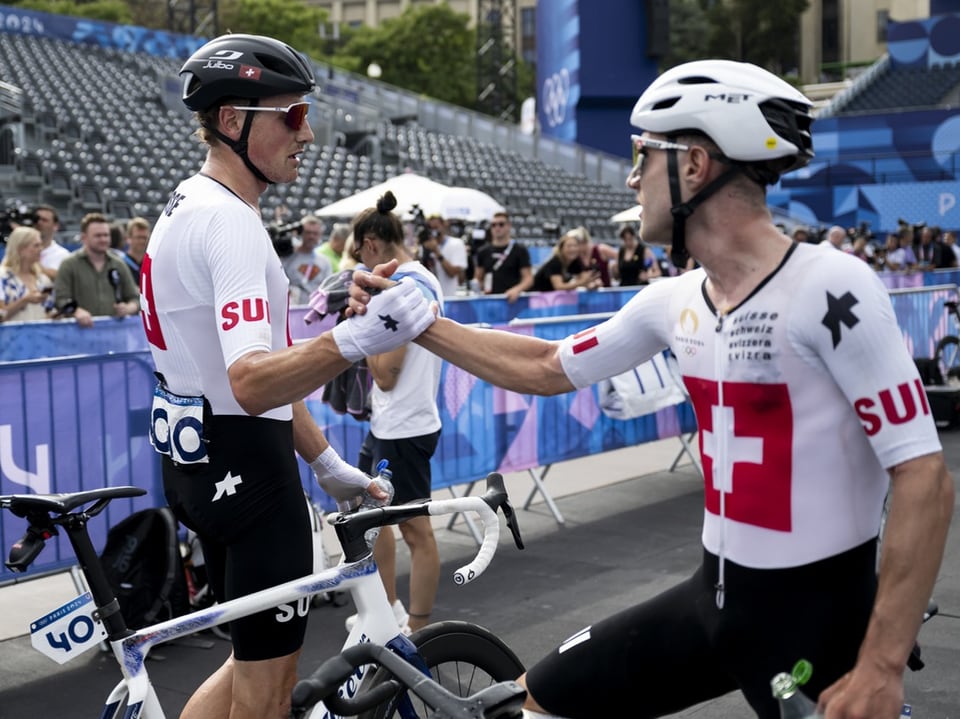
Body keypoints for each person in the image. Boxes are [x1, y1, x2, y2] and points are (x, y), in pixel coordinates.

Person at [350, 59, 954, 719]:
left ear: (694, 164)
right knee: (534, 704)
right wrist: (423, 325)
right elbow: (547, 366)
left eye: (643, 154)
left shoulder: (832, 286)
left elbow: (924, 476)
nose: (633, 177)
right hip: (713, 602)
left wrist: (882, 663)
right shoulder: (674, 299)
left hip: (816, 633)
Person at [141, 34, 435, 719]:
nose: (307, 131)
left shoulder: (188, 202)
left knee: (254, 660)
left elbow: (254, 371)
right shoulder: (232, 225)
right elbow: (253, 381)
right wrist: (354, 337)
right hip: (249, 471)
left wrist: (329, 463)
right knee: (268, 696)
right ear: (231, 120)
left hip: (199, 463)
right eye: (290, 116)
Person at [343, 190, 444, 637]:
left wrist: (355, 331)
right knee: (371, 519)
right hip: (392, 423)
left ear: (369, 244)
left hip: (405, 426)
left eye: (357, 257)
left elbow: (384, 375)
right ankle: (386, 610)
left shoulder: (404, 287)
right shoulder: (418, 276)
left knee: (415, 532)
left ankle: (419, 630)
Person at [53, 212, 139, 328]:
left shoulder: (118, 264)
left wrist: (128, 308)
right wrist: (76, 311)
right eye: (98, 236)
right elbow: (61, 299)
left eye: (106, 235)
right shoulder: (69, 264)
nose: (103, 239)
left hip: (114, 333)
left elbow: (134, 297)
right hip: (79, 333)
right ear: (84, 238)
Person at [473, 211, 533, 302]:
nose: (497, 228)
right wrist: (480, 287)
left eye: (501, 224)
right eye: (493, 225)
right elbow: (478, 277)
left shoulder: (520, 250)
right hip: (490, 301)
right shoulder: (483, 251)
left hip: (512, 301)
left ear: (508, 226)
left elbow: (528, 278)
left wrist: (517, 290)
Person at [0, 226, 55, 322]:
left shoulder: (43, 279)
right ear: (20, 249)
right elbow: (1, 315)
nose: (41, 249)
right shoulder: (3, 277)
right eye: (36, 246)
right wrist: (24, 300)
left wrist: (55, 316)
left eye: (41, 245)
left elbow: (48, 312)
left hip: (40, 335)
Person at [282, 214, 332, 304]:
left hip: (314, 310)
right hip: (292, 310)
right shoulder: (287, 258)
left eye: (315, 233)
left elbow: (328, 289)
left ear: (320, 235)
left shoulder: (325, 262)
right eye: (308, 232)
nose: (311, 236)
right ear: (300, 233)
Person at [531, 231, 602, 292]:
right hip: (534, 297)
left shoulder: (575, 262)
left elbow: (584, 279)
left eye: (575, 246)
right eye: (569, 246)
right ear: (561, 248)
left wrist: (593, 284)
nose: (572, 249)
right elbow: (559, 287)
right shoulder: (555, 262)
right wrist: (581, 283)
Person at [420, 212, 467, 297]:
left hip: (450, 297)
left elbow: (453, 273)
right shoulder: (426, 246)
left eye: (436, 227)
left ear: (443, 225)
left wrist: (437, 252)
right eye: (431, 228)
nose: (434, 231)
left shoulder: (456, 243)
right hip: (431, 299)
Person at [34, 204, 69, 280]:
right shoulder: (20, 249)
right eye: (36, 219)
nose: (39, 223)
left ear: (55, 226)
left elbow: (58, 278)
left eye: (44, 220)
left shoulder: (63, 255)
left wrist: (30, 260)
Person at [120, 216, 151, 283]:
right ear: (128, 238)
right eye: (138, 237)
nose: (142, 241)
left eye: (145, 238)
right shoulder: (121, 264)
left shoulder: (151, 264)